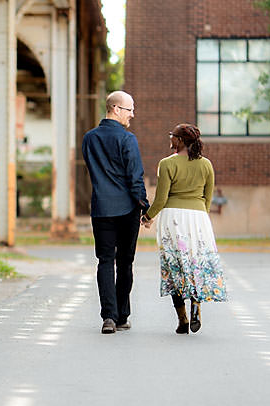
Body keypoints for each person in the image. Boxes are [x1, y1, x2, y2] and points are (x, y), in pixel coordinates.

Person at [141, 123, 227, 333]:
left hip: (173, 219)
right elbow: (208, 199)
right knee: (195, 263)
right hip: (199, 219)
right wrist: (199, 215)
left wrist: (147, 216)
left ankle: (183, 320)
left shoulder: (167, 164)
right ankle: (196, 307)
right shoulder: (206, 165)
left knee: (174, 266)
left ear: (179, 140)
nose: (170, 138)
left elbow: (161, 199)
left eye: (172, 136)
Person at [82, 90, 149, 334]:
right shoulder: (127, 139)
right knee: (125, 262)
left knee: (105, 261)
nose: (133, 114)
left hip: (101, 208)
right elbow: (135, 177)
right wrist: (144, 205)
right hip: (127, 209)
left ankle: (108, 317)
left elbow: (93, 170)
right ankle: (122, 316)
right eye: (130, 109)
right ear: (116, 109)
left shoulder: (89, 139)